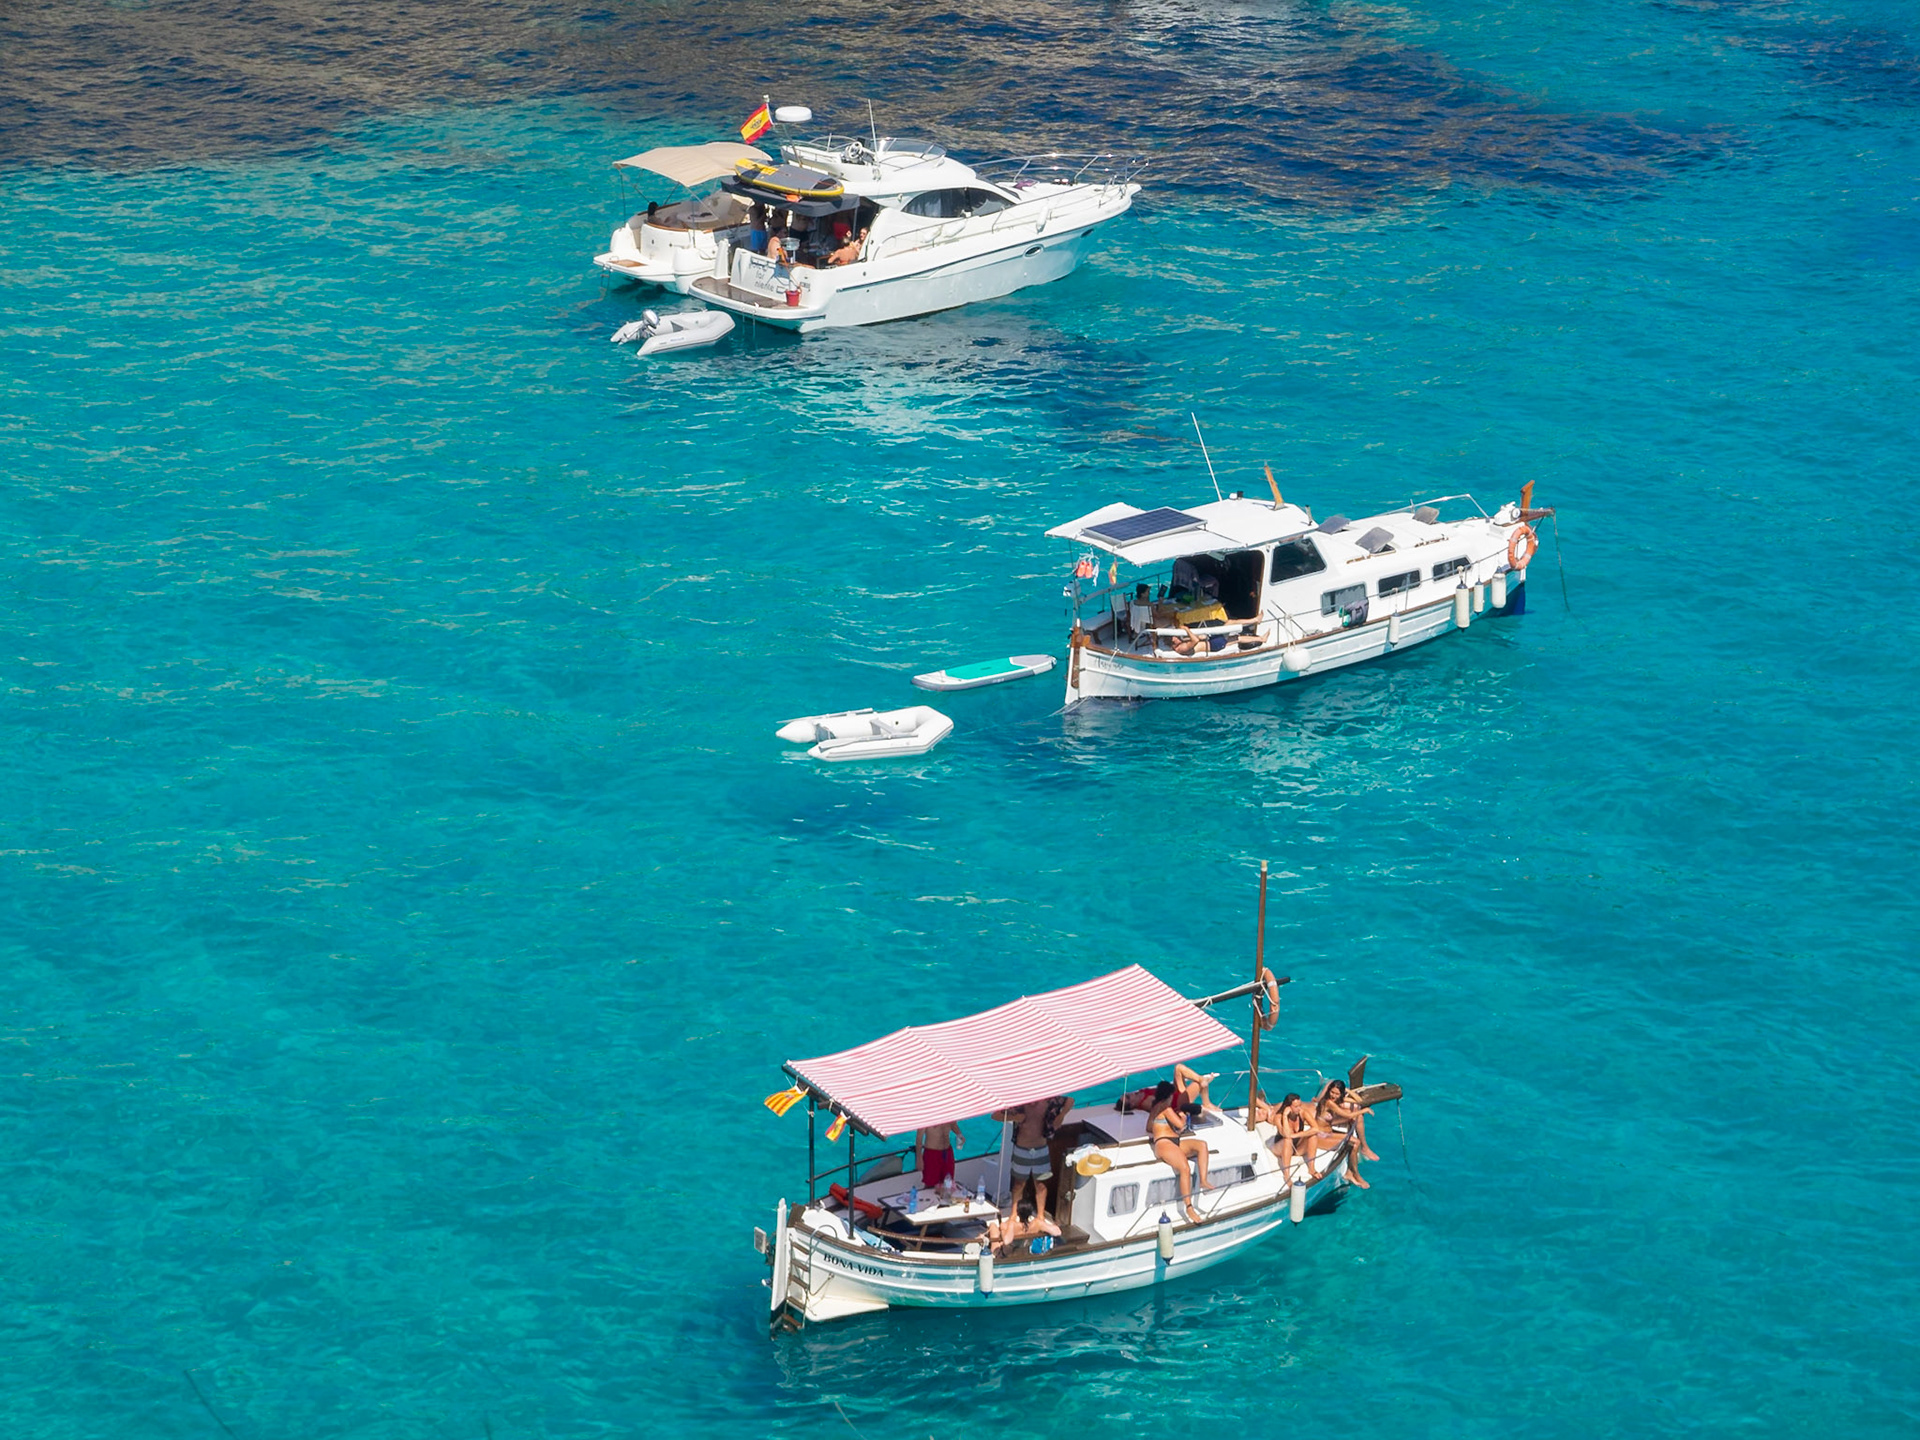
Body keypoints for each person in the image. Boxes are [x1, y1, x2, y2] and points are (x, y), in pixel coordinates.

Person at [992, 1095, 1071, 1220]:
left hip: (1041, 1149)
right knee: (1019, 1184)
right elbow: (995, 1115)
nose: (1032, 1103)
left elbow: (1070, 1101)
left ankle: (1040, 1216)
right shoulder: (1018, 1105)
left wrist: (1061, 1116)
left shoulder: (1050, 1101)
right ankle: (1013, 1214)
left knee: (1040, 1184)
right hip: (1021, 1149)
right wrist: (1014, 1118)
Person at [1147, 1091, 1212, 1224]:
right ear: (1169, 1096)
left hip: (1171, 1141)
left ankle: (1203, 1180)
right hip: (1164, 1142)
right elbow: (1181, 1126)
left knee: (1201, 1145)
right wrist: (1183, 1116)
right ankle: (1189, 1207)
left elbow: (1148, 1128)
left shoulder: (1156, 1108)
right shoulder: (1166, 1108)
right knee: (1185, 1169)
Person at [1315, 1079, 1376, 1187]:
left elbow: (1359, 1100)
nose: (1333, 1095)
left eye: (1337, 1093)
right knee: (1355, 1143)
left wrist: (1346, 1090)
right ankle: (1355, 1174)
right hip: (1320, 1136)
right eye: (1332, 1092)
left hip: (1328, 1133)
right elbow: (1348, 1116)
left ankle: (1350, 1172)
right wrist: (1364, 1111)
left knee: (1355, 1142)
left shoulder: (1338, 1099)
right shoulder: (1328, 1102)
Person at [987, 1182, 1060, 1257]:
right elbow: (1057, 1232)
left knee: (993, 1226)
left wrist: (1002, 1231)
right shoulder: (1037, 1224)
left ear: (1017, 1212)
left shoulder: (1013, 1225)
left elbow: (1006, 1241)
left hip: (1006, 1254)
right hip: (1024, 1252)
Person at [917, 1119, 965, 1196]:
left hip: (947, 1152)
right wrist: (919, 1159)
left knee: (948, 1182)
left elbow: (953, 1124)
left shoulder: (948, 1113)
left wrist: (959, 1134)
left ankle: (944, 1203)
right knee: (930, 1184)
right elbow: (919, 1139)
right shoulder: (926, 1117)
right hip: (932, 1153)